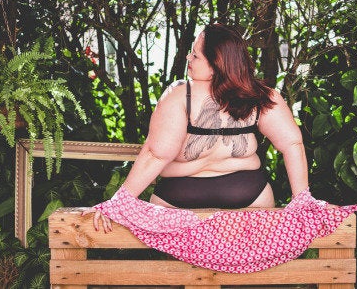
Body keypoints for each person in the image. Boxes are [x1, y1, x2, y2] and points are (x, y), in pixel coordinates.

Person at [83, 23, 309, 233]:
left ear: (215, 64)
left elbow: (156, 154)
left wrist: (120, 201)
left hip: (179, 198)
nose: (188, 58)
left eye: (195, 55)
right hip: (249, 195)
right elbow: (292, 144)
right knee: (242, 274)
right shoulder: (260, 95)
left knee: (180, 276)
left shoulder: (179, 94)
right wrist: (301, 199)